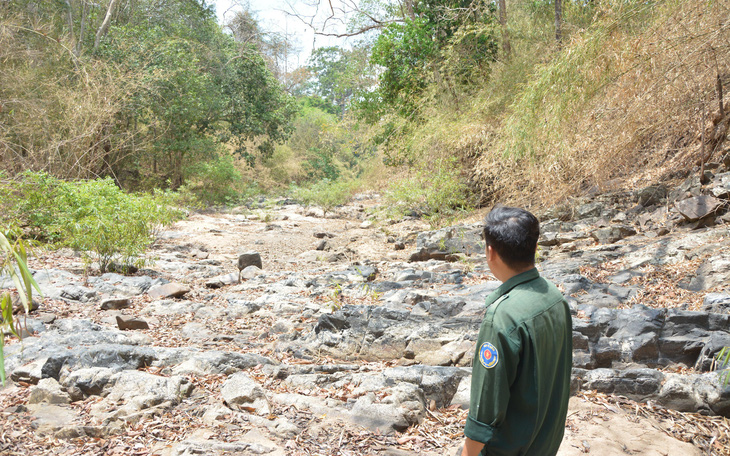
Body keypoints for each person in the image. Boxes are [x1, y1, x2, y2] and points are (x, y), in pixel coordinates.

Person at [460, 206, 572, 456]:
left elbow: (485, 412)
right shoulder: (555, 297)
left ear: (491, 252)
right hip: (545, 442)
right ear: (534, 247)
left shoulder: (502, 317)